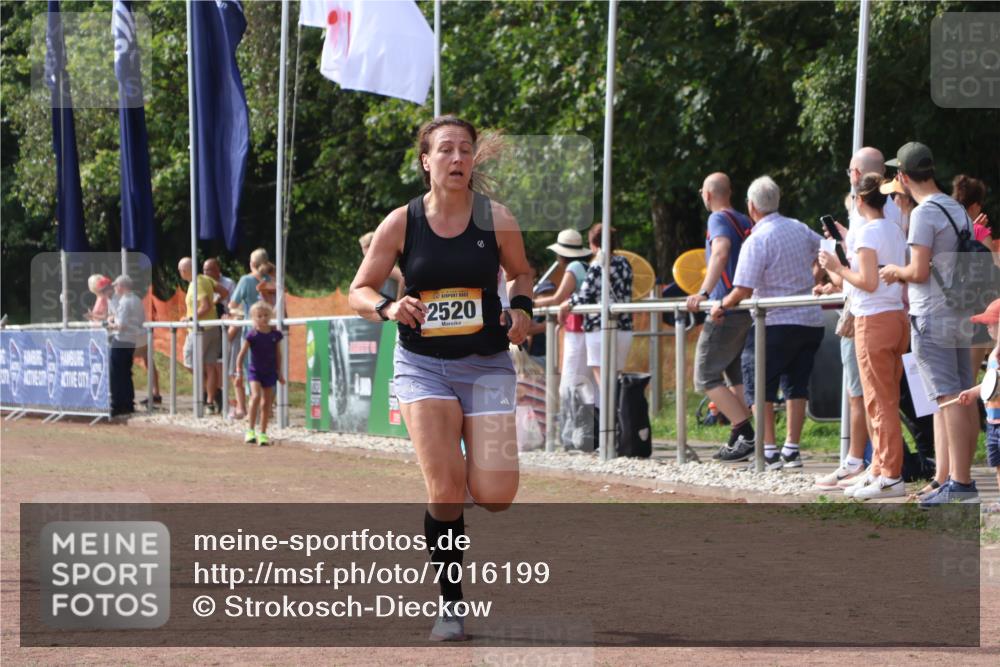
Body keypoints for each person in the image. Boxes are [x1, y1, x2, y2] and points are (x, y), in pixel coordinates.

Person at [348, 116, 532, 642]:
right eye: (446, 150)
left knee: (495, 494)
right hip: (422, 365)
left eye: (465, 150)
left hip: (488, 363)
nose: (457, 158)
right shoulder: (401, 222)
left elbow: (521, 272)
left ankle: (470, 470)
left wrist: (522, 308)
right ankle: (450, 606)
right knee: (446, 489)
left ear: (473, 160)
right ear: (426, 161)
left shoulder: (496, 218)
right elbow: (359, 289)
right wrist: (388, 307)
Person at [880, 142, 981, 505]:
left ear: (904, 177)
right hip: (960, 312)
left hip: (932, 314)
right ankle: (953, 478)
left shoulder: (924, 214)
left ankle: (961, 484)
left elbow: (919, 271)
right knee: (960, 396)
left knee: (947, 399)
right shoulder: (956, 208)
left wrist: (896, 271)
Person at [710, 176, 825, 470]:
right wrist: (815, 277)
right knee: (796, 385)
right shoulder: (799, 228)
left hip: (773, 322)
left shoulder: (757, 240)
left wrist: (721, 305)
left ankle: (770, 451)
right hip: (809, 320)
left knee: (758, 384)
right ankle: (792, 449)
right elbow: (827, 249)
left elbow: (742, 289)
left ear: (751, 206)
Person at [819, 173, 909, 499]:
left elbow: (868, 282)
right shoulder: (893, 229)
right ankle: (880, 469)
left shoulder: (869, 232)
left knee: (879, 402)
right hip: (895, 317)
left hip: (873, 320)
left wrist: (837, 267)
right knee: (885, 399)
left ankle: (890, 475)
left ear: (858, 200)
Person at [685, 172, 756, 460]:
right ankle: (748, 437)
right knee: (734, 372)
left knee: (705, 375)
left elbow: (721, 252)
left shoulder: (717, 219)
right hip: (744, 306)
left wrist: (703, 292)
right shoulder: (744, 219)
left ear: (707, 194)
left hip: (724, 307)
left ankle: (745, 432)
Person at [560, 223, 633, 411]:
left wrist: (567, 303)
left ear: (593, 243)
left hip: (599, 329)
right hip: (624, 327)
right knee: (615, 380)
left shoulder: (598, 264)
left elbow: (584, 296)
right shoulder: (625, 263)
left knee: (603, 383)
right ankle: (619, 421)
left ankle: (608, 423)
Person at [534, 229, 595, 412]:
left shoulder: (574, 267)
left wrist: (530, 303)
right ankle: (588, 424)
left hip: (578, 330)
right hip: (589, 329)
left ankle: (570, 427)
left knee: (568, 384)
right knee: (586, 384)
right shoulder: (587, 266)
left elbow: (557, 298)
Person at [957, 298, 1000, 512]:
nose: (987, 327)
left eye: (992, 323)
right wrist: (974, 392)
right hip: (993, 421)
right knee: (997, 463)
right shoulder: (993, 352)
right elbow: (991, 381)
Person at [228, 248, 271, 420]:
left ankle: (249, 410)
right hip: (269, 330)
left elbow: (233, 303)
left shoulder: (246, 280)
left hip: (251, 330)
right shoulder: (271, 280)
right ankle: (265, 408)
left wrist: (236, 313)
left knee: (249, 369)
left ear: (252, 263)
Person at [178, 257, 224, 415]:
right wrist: (216, 301)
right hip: (212, 328)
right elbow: (224, 292)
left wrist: (191, 318)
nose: (180, 273)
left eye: (180, 270)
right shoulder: (205, 279)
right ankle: (211, 400)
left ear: (185, 270)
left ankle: (212, 392)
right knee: (209, 366)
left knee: (190, 363)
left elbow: (205, 305)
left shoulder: (197, 283)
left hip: (200, 330)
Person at [235, 301, 284, 446]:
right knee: (255, 396)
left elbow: (278, 355)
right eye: (259, 316)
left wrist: (279, 372)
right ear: (253, 318)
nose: (263, 318)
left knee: (266, 403)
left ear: (270, 316)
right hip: (255, 371)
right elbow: (241, 355)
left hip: (270, 371)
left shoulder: (275, 335)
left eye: (266, 315)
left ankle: (263, 433)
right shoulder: (252, 335)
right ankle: (250, 430)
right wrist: (239, 372)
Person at [108, 275, 145, 416]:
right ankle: (128, 403)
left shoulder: (125, 301)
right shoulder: (136, 299)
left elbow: (121, 325)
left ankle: (117, 404)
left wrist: (109, 324)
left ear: (122, 286)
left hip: (121, 339)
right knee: (126, 373)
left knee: (116, 373)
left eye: (116, 285)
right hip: (131, 340)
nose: (114, 288)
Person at [203, 258, 234, 411]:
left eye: (208, 270)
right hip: (207, 326)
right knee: (202, 363)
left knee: (218, 363)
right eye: (204, 270)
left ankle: (216, 395)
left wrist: (229, 317)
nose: (205, 273)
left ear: (217, 270)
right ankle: (212, 393)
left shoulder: (228, 283)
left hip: (223, 325)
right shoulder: (201, 283)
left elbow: (233, 303)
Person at [360, 231, 405, 300]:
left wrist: (399, 300)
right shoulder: (375, 263)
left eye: (363, 247)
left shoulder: (381, 262)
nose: (363, 251)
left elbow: (402, 277)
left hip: (391, 300)